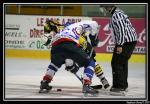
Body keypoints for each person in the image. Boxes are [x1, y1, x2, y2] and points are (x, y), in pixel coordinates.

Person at [43, 19, 110, 89]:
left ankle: (45, 81)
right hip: (71, 46)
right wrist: (71, 63)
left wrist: (71, 63)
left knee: (54, 64)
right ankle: (96, 81)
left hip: (58, 47)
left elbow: (48, 23)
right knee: (90, 62)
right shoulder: (76, 32)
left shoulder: (63, 30)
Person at [100, 5, 137, 92]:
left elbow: (121, 30)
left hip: (126, 42)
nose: (104, 10)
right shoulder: (117, 13)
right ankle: (122, 85)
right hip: (126, 41)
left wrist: (120, 45)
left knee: (117, 63)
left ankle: (119, 86)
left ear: (109, 7)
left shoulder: (117, 15)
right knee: (122, 63)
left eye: (104, 8)